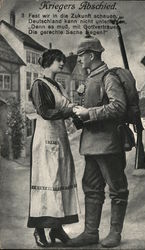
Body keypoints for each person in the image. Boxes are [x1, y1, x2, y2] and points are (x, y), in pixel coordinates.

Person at [66, 32, 129, 248]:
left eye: (81, 55)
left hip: (108, 144)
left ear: (91, 55)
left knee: (117, 189)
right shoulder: (90, 78)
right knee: (92, 189)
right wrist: (77, 114)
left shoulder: (108, 77)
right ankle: (91, 233)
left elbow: (118, 107)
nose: (79, 59)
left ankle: (115, 234)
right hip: (91, 144)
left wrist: (89, 113)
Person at [27, 49, 79, 247]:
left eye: (63, 60)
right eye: (59, 60)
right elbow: (45, 112)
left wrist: (76, 109)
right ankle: (39, 230)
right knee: (46, 182)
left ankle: (56, 229)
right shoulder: (38, 85)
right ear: (48, 62)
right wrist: (69, 110)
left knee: (61, 179)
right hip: (46, 139)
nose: (62, 63)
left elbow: (66, 105)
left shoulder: (57, 85)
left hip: (60, 137)